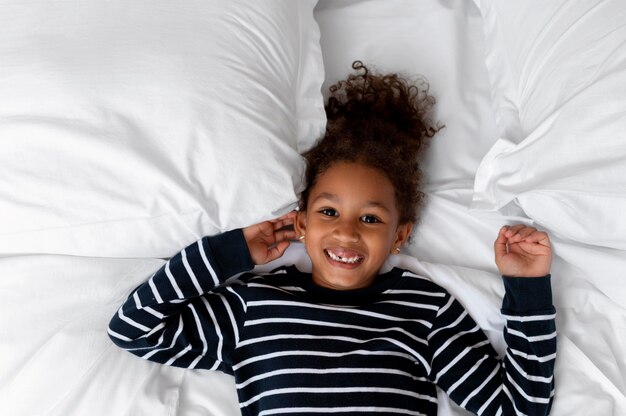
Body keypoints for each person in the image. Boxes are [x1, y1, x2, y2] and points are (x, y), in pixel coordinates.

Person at [109, 61, 556, 415]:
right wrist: (233, 252)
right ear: (301, 223)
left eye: (371, 219)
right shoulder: (256, 305)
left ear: (399, 236)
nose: (346, 231)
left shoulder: (425, 310)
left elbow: (515, 407)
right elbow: (135, 330)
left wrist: (528, 288)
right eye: (328, 212)